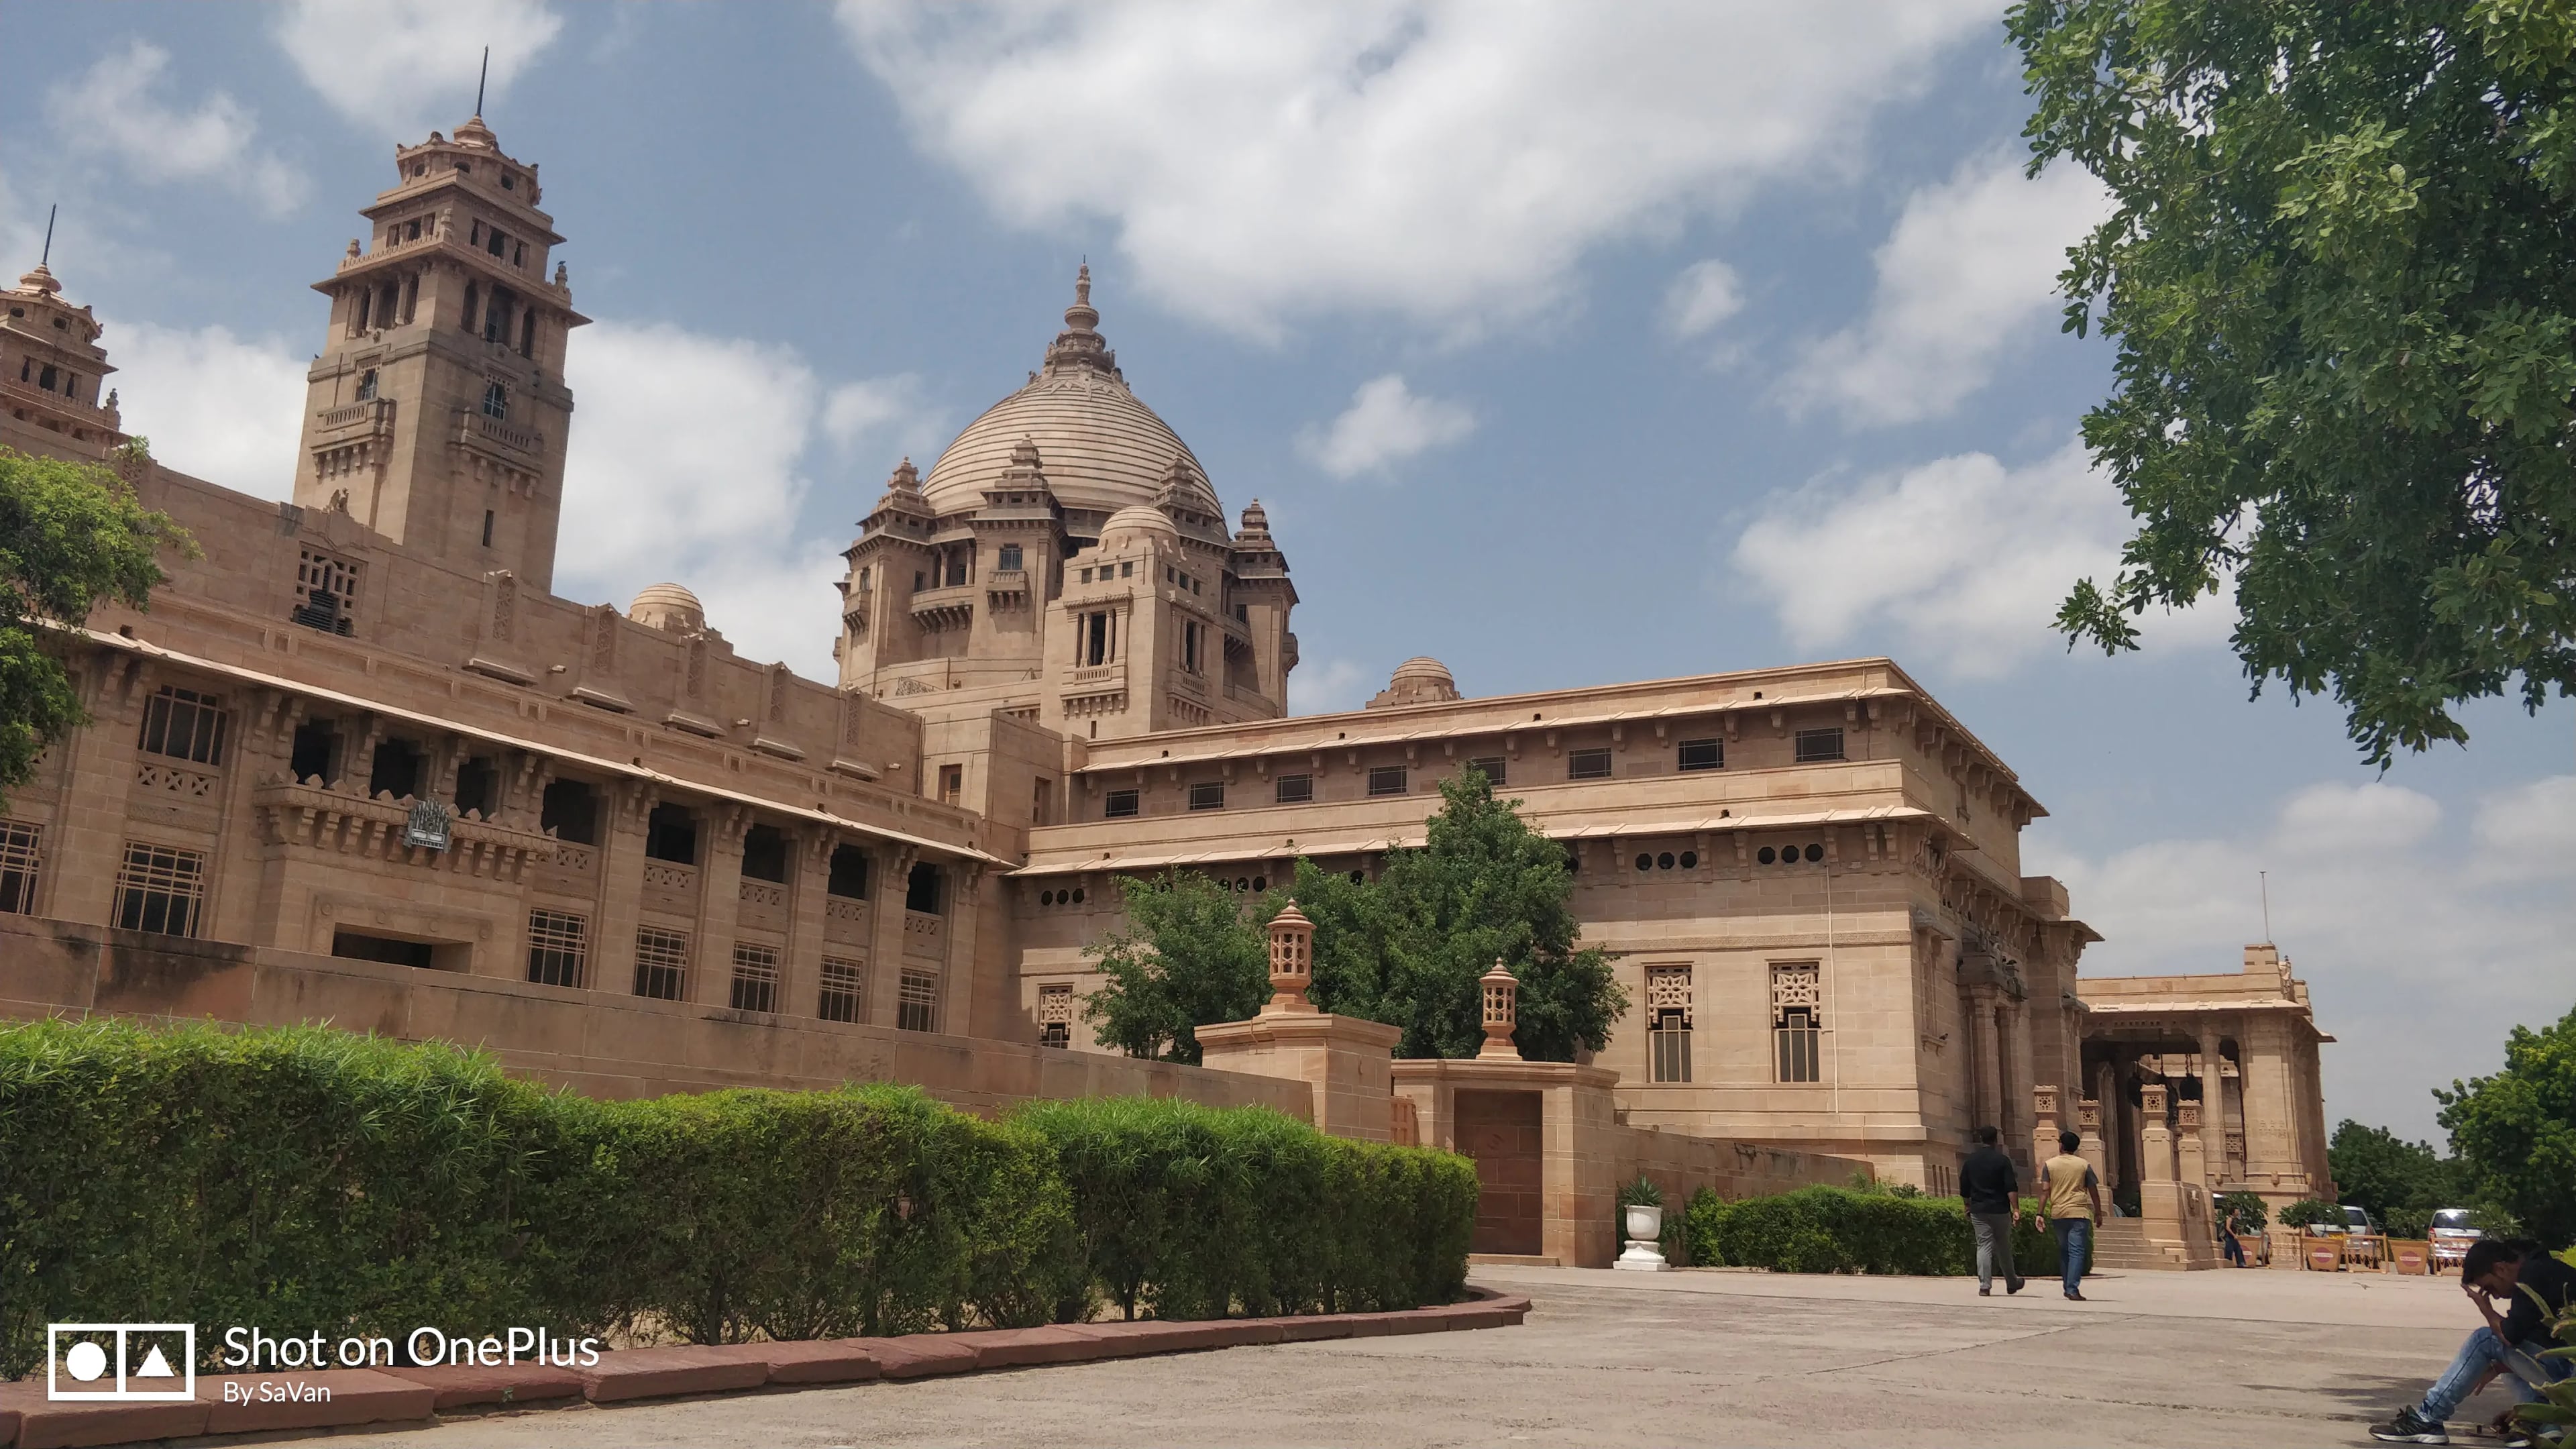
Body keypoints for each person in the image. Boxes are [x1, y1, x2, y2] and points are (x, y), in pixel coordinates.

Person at [2371, 1238, 2576, 1445]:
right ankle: (2542, 1423)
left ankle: (2428, 1418)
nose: (2495, 1296)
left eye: (2490, 1287)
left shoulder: (2530, 1276)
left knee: (2485, 1339)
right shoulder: (2547, 1270)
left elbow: (2509, 1336)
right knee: (2500, 1359)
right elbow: (2530, 1343)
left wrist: (2485, 1308)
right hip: (2568, 1370)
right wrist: (2501, 1371)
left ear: (2501, 1269)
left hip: (2571, 1377)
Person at [2036, 1130, 2104, 1301]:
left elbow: (2045, 1190)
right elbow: (2093, 1191)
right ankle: (2072, 1288)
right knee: (2076, 1251)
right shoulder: (2084, 1165)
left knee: (2064, 1251)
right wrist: (2098, 1211)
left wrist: (2040, 1213)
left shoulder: (2049, 1165)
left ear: (2061, 1145)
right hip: (2079, 1212)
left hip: (2058, 1213)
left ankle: (2068, 1286)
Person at [1958, 1126, 2024, 1297]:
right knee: (2003, 1246)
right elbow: (2011, 1187)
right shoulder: (2002, 1160)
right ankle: (2012, 1282)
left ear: (1981, 1139)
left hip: (1979, 1209)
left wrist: (1967, 1205)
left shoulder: (1971, 1161)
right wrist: (2016, 1208)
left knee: (1983, 1245)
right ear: (1996, 1140)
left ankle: (1985, 1285)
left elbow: (1964, 1187)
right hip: (2000, 1209)